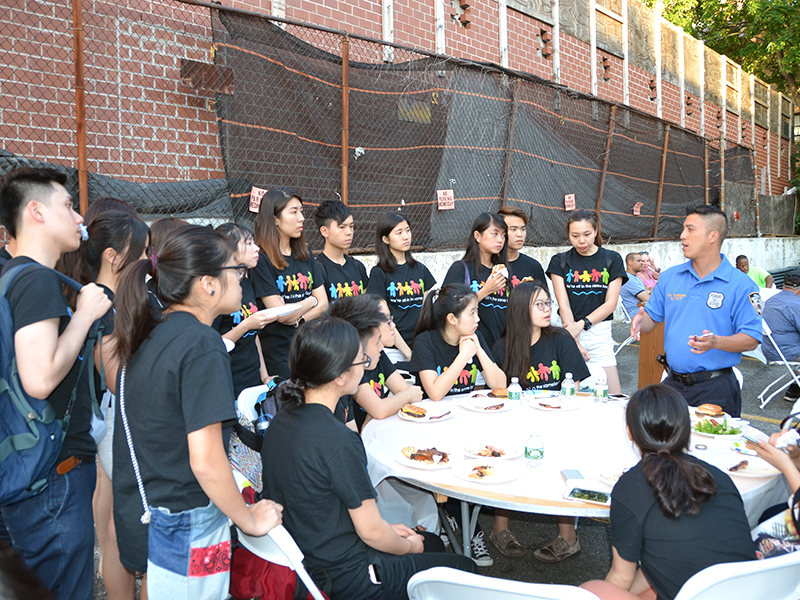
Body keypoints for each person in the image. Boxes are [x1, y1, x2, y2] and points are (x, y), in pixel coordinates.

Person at [112, 226, 282, 600]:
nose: (243, 279)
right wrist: (250, 520)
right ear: (208, 284)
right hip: (186, 521)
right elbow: (205, 460)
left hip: (155, 514)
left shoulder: (152, 333)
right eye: (236, 270)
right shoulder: (202, 345)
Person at [261, 317, 477, 600]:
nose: (366, 364)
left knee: (433, 543)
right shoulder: (338, 439)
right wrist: (410, 546)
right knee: (465, 568)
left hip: (305, 557)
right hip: (348, 576)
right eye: (360, 360)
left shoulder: (281, 419)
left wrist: (392, 532)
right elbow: (372, 532)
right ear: (340, 376)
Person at [0, 167, 112, 600]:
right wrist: (84, 316)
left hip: (24, 469)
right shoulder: (36, 280)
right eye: (67, 205)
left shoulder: (11, 275)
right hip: (51, 482)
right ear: (36, 212)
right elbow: (40, 377)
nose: (78, 215)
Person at [580, 385, 756, 600]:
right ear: (686, 428)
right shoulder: (719, 476)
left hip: (694, 593)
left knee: (592, 590)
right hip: (752, 590)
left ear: (630, 433)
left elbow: (620, 578)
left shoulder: (630, 487)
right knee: (650, 581)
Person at [70, 210, 149, 600]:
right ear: (115, 257)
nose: (149, 262)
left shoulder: (113, 298)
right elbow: (119, 380)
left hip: (117, 422)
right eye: (142, 253)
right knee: (123, 531)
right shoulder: (101, 304)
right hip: (117, 422)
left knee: (118, 529)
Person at [491, 282, 591, 561]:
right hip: (516, 425)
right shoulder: (503, 347)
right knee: (506, 458)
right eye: (540, 304)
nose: (548, 310)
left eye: (548, 303)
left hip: (558, 422)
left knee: (563, 464)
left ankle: (568, 538)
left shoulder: (560, 339)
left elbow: (576, 386)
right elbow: (495, 393)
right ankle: (500, 530)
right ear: (521, 309)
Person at [631, 206, 761, 417]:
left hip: (716, 388)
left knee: (714, 448)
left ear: (713, 236)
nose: (682, 235)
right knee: (666, 447)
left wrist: (716, 342)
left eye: (690, 229)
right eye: (684, 229)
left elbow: (751, 339)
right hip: (672, 384)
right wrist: (639, 319)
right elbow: (651, 319)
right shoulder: (670, 277)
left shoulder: (742, 285)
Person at [411, 283, 506, 567]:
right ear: (452, 319)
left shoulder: (473, 337)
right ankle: (469, 530)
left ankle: (461, 517)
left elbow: (499, 384)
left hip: (468, 422)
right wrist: (463, 357)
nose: (478, 319)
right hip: (435, 427)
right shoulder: (426, 342)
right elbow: (435, 392)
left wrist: (479, 352)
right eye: (472, 313)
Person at [251, 187, 328, 379]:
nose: (301, 218)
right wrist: (311, 301)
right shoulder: (261, 260)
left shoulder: (305, 254)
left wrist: (298, 319)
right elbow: (281, 314)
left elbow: (324, 303)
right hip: (279, 354)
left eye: (301, 211)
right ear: (275, 218)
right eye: (293, 212)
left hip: (310, 346)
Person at [547, 209, 626, 394]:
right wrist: (573, 338)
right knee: (567, 391)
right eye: (575, 235)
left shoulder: (612, 259)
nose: (581, 241)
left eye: (587, 234)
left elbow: (610, 304)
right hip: (567, 329)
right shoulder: (559, 261)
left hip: (598, 332)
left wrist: (582, 324)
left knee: (612, 394)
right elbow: (563, 303)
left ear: (596, 231)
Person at [330, 294, 423, 431]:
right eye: (387, 320)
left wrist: (401, 397)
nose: (393, 325)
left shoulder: (379, 355)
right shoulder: (353, 366)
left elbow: (404, 391)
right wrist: (405, 396)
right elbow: (379, 410)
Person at [213, 223, 278, 399]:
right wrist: (246, 325)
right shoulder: (217, 290)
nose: (257, 248)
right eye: (248, 243)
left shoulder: (246, 283)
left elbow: (253, 336)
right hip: (229, 383)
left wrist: (264, 376)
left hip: (253, 380)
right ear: (230, 251)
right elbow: (212, 344)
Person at [366, 212, 435, 361]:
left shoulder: (420, 269)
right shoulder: (379, 273)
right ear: (385, 239)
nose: (406, 236)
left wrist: (421, 348)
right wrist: (408, 353)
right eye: (399, 232)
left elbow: (426, 311)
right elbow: (383, 319)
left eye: (407, 230)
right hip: (392, 349)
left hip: (420, 346)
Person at [443, 212, 510, 349]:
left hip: (504, 348)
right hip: (471, 347)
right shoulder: (461, 268)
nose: (500, 240)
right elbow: (447, 307)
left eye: (503, 235)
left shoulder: (502, 271)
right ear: (477, 236)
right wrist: (485, 291)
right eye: (495, 233)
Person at [313, 199, 369, 303]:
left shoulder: (358, 267)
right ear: (324, 231)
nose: (349, 232)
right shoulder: (318, 269)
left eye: (351, 226)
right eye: (342, 227)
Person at [761, 269, 800, 401]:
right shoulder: (796, 305)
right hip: (787, 353)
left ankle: (794, 388)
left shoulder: (771, 300)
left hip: (770, 350)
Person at [497, 206, 546, 287]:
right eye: (513, 229)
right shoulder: (489, 264)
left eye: (523, 229)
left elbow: (543, 298)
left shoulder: (533, 266)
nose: (520, 234)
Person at [620, 253, 651, 320]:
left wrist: (647, 293)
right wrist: (645, 294)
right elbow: (648, 299)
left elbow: (647, 292)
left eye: (642, 261)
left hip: (643, 310)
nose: (641, 263)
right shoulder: (628, 279)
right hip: (637, 315)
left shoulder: (635, 277)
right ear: (630, 262)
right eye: (639, 261)